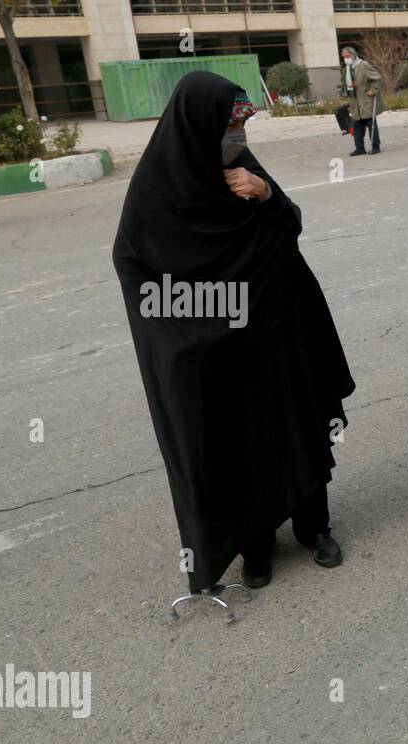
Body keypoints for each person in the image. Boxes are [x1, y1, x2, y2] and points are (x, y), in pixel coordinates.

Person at [113, 72, 355, 594]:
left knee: (299, 424)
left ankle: (315, 529)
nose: (238, 141)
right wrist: (185, 329)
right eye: (229, 127)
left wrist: (266, 194)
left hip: (280, 331)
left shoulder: (244, 169)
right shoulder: (161, 189)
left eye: (241, 127)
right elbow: (134, 264)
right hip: (220, 349)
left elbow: (289, 223)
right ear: (199, 126)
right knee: (244, 442)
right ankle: (257, 545)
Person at [341, 46, 382, 155]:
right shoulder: (346, 69)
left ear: (353, 55)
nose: (346, 59)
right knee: (357, 126)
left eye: (347, 56)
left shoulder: (363, 65)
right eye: (344, 57)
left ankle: (375, 147)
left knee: (371, 124)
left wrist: (373, 90)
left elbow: (376, 78)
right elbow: (344, 84)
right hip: (355, 101)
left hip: (366, 100)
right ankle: (360, 148)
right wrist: (347, 89)